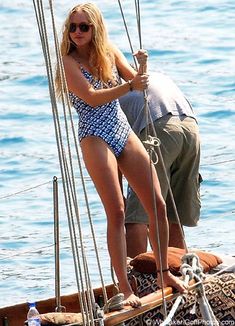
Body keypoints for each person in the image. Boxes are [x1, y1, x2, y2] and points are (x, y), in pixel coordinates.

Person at [55, 3, 187, 307]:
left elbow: (138, 86)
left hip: (120, 127)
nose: (77, 32)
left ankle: (163, 272)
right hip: (93, 134)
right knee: (116, 211)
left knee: (157, 203)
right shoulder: (68, 62)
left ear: (95, 28)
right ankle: (125, 288)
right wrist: (129, 84)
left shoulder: (108, 51)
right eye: (73, 27)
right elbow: (90, 96)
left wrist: (142, 67)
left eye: (84, 27)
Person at [119, 71, 201, 257]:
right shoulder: (155, 76)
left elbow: (116, 150)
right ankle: (178, 272)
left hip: (158, 129)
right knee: (173, 216)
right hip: (190, 129)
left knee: (137, 216)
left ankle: (136, 281)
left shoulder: (113, 93)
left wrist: (120, 200)